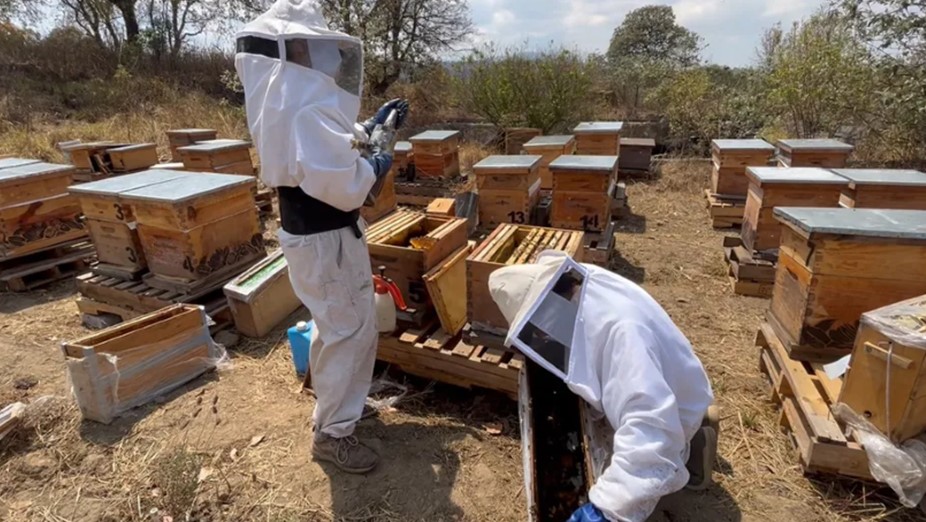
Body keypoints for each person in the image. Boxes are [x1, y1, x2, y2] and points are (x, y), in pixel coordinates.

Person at [234, 0, 409, 474]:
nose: (328, 59)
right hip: (324, 237)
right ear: (299, 50)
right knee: (347, 330)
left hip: (321, 238)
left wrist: (371, 127)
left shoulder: (291, 98)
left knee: (342, 326)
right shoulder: (302, 108)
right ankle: (333, 435)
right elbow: (349, 185)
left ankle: (340, 402)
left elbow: (337, 141)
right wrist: (380, 156)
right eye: (317, 47)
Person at [488, 251, 717, 522]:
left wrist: (605, 510)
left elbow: (650, 432)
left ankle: (694, 431)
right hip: (659, 378)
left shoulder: (621, 333)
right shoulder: (585, 287)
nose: (541, 334)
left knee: (635, 474)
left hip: (671, 400)